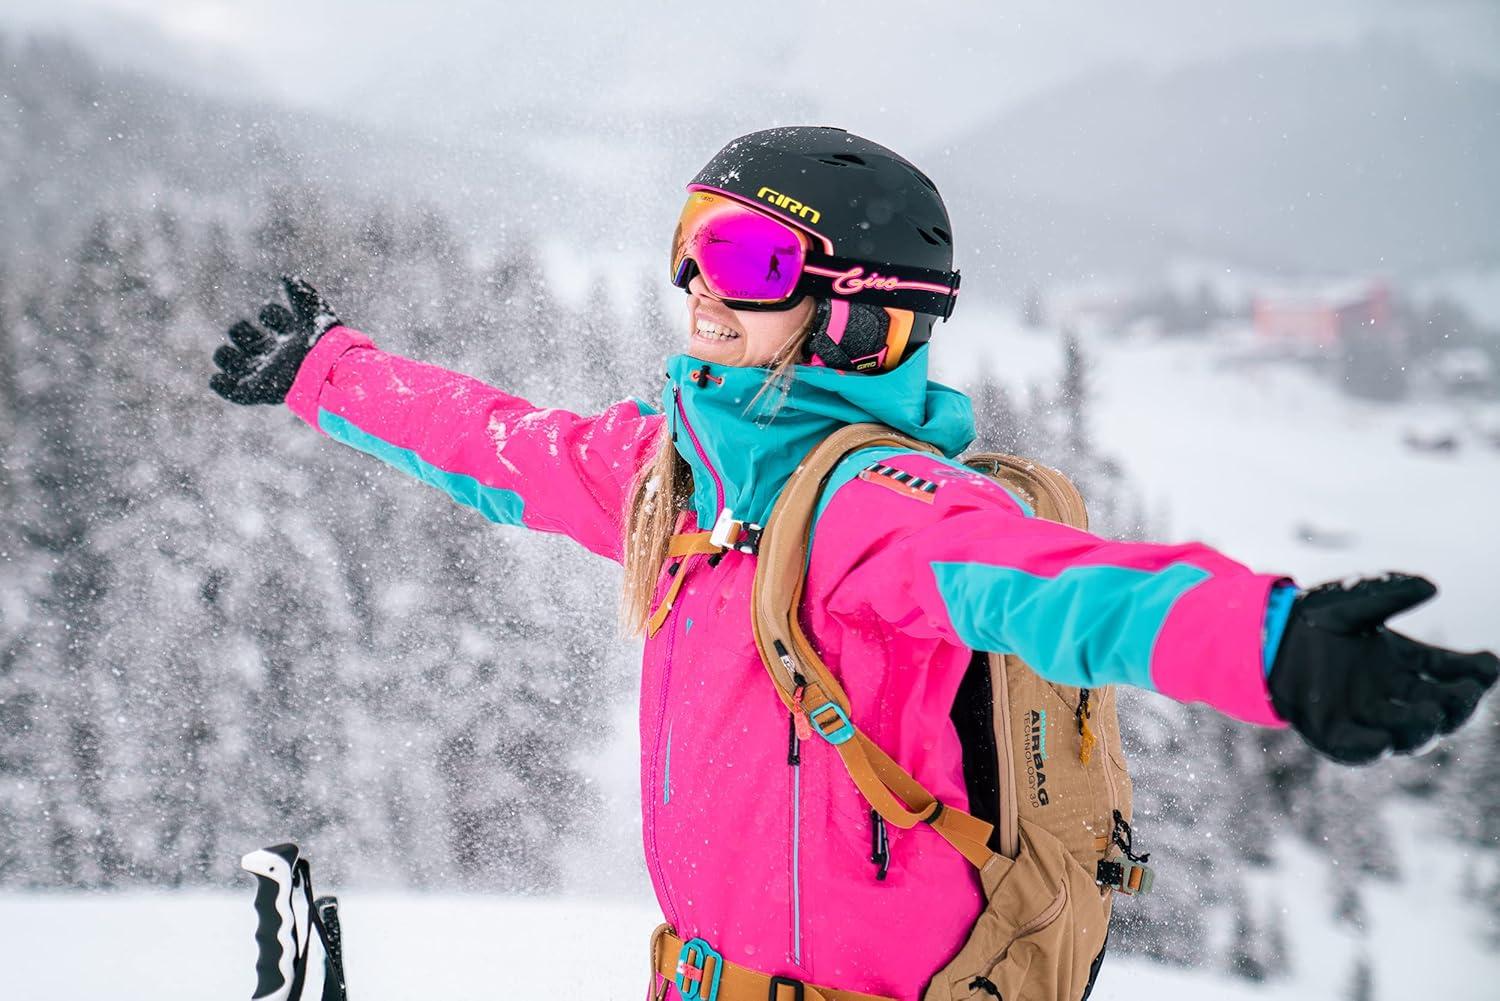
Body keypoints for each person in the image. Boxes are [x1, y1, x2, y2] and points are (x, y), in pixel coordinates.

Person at [209, 127, 1497, 1001]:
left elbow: (1058, 585)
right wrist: (329, 371)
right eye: (694, 242)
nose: (699, 283)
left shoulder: (871, 510)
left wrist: (1270, 645)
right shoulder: (679, 477)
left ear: (859, 314)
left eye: (749, 260)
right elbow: (501, 445)